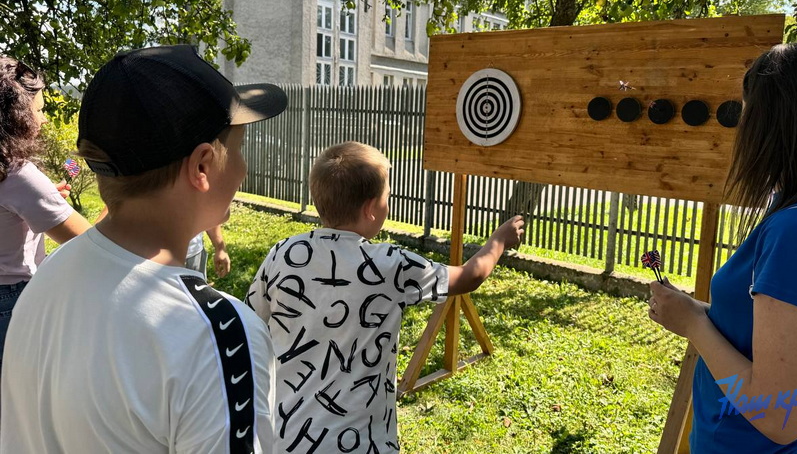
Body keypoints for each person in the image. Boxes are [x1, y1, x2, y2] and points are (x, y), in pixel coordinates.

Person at [0, 45, 287, 453]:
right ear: (202, 166)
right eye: (237, 150)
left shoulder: (49, 276)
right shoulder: (217, 335)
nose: (242, 169)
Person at [648, 42, 797, 453]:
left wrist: (693, 324)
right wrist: (699, 313)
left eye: (747, 113)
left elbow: (780, 413)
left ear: (769, 123)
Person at [245, 141, 524, 453]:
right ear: (370, 209)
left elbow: (251, 324)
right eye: (386, 196)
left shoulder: (283, 253)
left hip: (288, 436)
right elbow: (469, 276)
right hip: (363, 443)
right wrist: (499, 240)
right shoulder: (390, 265)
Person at [0, 56, 90, 374]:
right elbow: (89, 241)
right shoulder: (18, 173)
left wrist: (42, 197)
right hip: (10, 301)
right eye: (38, 111)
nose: (45, 120)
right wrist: (116, 202)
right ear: (17, 116)